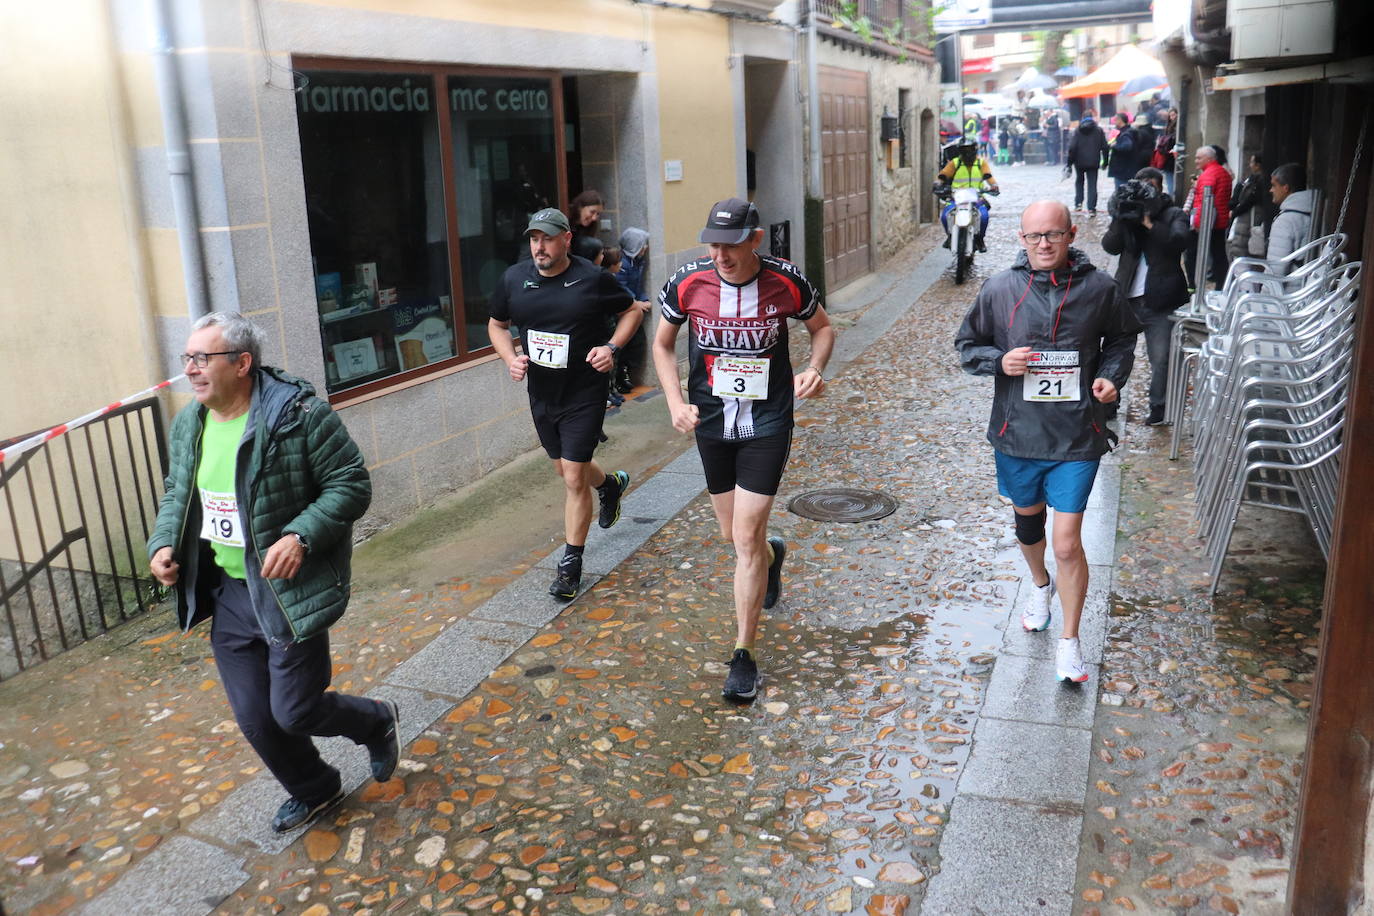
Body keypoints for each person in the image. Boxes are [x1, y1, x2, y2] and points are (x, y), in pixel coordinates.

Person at [147, 312, 396, 835]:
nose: (190, 369)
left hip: (286, 591)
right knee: (257, 720)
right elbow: (178, 493)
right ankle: (315, 789)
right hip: (230, 592)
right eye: (187, 358)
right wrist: (164, 542)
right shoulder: (190, 424)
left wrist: (300, 536)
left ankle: (375, 719)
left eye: (202, 358)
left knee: (294, 712)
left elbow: (350, 484)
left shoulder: (298, 415)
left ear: (242, 363)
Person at [652, 197, 834, 702]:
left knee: (745, 535)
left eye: (731, 245)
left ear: (754, 239)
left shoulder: (786, 281)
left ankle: (743, 654)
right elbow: (662, 344)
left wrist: (815, 369)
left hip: (768, 422)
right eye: (713, 243)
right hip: (711, 422)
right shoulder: (689, 281)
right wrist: (674, 401)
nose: (721, 255)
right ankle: (771, 557)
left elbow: (822, 327)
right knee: (735, 537)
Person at [955, 201, 1141, 684]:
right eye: (1034, 236)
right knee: (1028, 527)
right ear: (1021, 238)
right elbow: (967, 346)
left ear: (1071, 234)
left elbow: (1123, 339)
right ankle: (1039, 586)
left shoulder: (1099, 288)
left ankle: (1070, 642)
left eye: (1053, 235)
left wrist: (1109, 376)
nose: (1043, 244)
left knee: (1066, 544)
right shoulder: (999, 289)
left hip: (1078, 434)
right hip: (1017, 434)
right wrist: (1000, 362)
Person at [488, 207, 642, 600]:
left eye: (548, 238)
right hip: (542, 393)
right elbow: (497, 324)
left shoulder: (592, 279)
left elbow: (632, 312)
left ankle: (571, 565)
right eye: (534, 239)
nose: (539, 246)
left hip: (584, 391)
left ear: (567, 239)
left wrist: (611, 347)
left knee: (573, 479)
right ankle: (609, 486)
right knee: (566, 470)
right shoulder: (514, 278)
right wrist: (511, 358)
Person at [1102, 168, 1191, 427]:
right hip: (1126, 299)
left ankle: (1158, 407)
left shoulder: (1173, 214)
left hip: (1161, 300)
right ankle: (1109, 401)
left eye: (1150, 187)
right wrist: (1122, 218)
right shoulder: (1127, 214)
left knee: (1161, 357)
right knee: (1115, 354)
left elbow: (1179, 242)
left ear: (1160, 188)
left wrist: (1150, 223)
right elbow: (1110, 245)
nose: (1144, 193)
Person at [935, 139, 1000, 253]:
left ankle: (980, 239)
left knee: (984, 216)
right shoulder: (955, 163)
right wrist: (938, 184)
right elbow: (943, 175)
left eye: (970, 150)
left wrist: (993, 186)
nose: (967, 153)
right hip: (957, 197)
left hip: (976, 197)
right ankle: (950, 236)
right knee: (945, 215)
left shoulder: (981, 163)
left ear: (975, 150)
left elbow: (988, 177)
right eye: (964, 150)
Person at [1184, 145, 1233, 289]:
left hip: (1208, 222)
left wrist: (1197, 224)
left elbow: (1205, 201)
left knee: (1192, 254)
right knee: (1219, 254)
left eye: (1199, 158)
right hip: (1219, 221)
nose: (1195, 161)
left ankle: (1193, 285)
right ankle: (1221, 285)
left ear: (1209, 158)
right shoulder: (1222, 172)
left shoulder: (1208, 175)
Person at [614, 227, 654, 394]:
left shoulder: (638, 262)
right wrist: (636, 303)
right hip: (623, 310)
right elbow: (620, 288)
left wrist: (643, 299)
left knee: (637, 344)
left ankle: (627, 374)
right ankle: (620, 377)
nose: (645, 249)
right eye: (642, 245)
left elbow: (637, 285)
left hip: (634, 308)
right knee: (625, 346)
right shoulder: (623, 264)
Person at [1266, 162, 1316, 274]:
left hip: (1289, 289)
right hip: (1308, 285)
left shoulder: (1285, 221)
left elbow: (1276, 270)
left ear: (1285, 188)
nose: (1271, 190)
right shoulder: (1315, 212)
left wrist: (1264, 290)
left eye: (1274, 185)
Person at [1227, 154, 1268, 262]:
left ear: (1258, 165)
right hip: (1246, 220)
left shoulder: (1257, 182)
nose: (1250, 165)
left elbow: (1248, 200)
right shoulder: (1250, 180)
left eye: (1252, 162)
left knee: (1244, 253)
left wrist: (1236, 211)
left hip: (1249, 220)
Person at [1068, 115, 1109, 216]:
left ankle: (1078, 203)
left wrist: (1069, 163)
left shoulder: (1078, 130)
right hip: (1093, 161)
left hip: (1079, 161)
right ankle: (1091, 208)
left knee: (1079, 182)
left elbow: (1072, 147)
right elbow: (1105, 147)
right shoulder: (1098, 131)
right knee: (1092, 184)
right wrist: (1105, 162)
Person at [1106, 113, 1137, 190]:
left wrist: (1114, 146)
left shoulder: (1126, 134)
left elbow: (1127, 146)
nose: (1114, 122)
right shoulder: (1124, 132)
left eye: (1116, 120)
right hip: (1125, 168)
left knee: (1121, 192)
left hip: (1123, 169)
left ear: (1120, 120)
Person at [1155, 109, 1179, 195]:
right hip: (1169, 157)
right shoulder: (1170, 127)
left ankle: (1172, 197)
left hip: (1170, 157)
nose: (1173, 117)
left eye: (1174, 115)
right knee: (1170, 180)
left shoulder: (1175, 129)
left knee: (1170, 181)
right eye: (1171, 115)